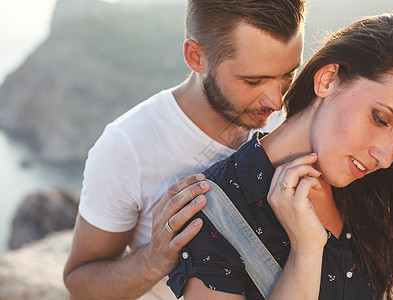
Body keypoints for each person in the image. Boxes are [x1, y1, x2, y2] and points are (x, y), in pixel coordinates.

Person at [168, 13, 393, 300]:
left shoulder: (381, 194)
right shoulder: (216, 212)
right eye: (379, 119)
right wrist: (306, 251)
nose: (386, 157)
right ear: (328, 80)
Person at [63, 0, 307, 299]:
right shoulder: (127, 147)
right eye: (253, 81)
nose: (276, 102)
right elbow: (79, 283)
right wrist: (152, 261)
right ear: (196, 57)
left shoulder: (295, 115)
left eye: (287, 75)